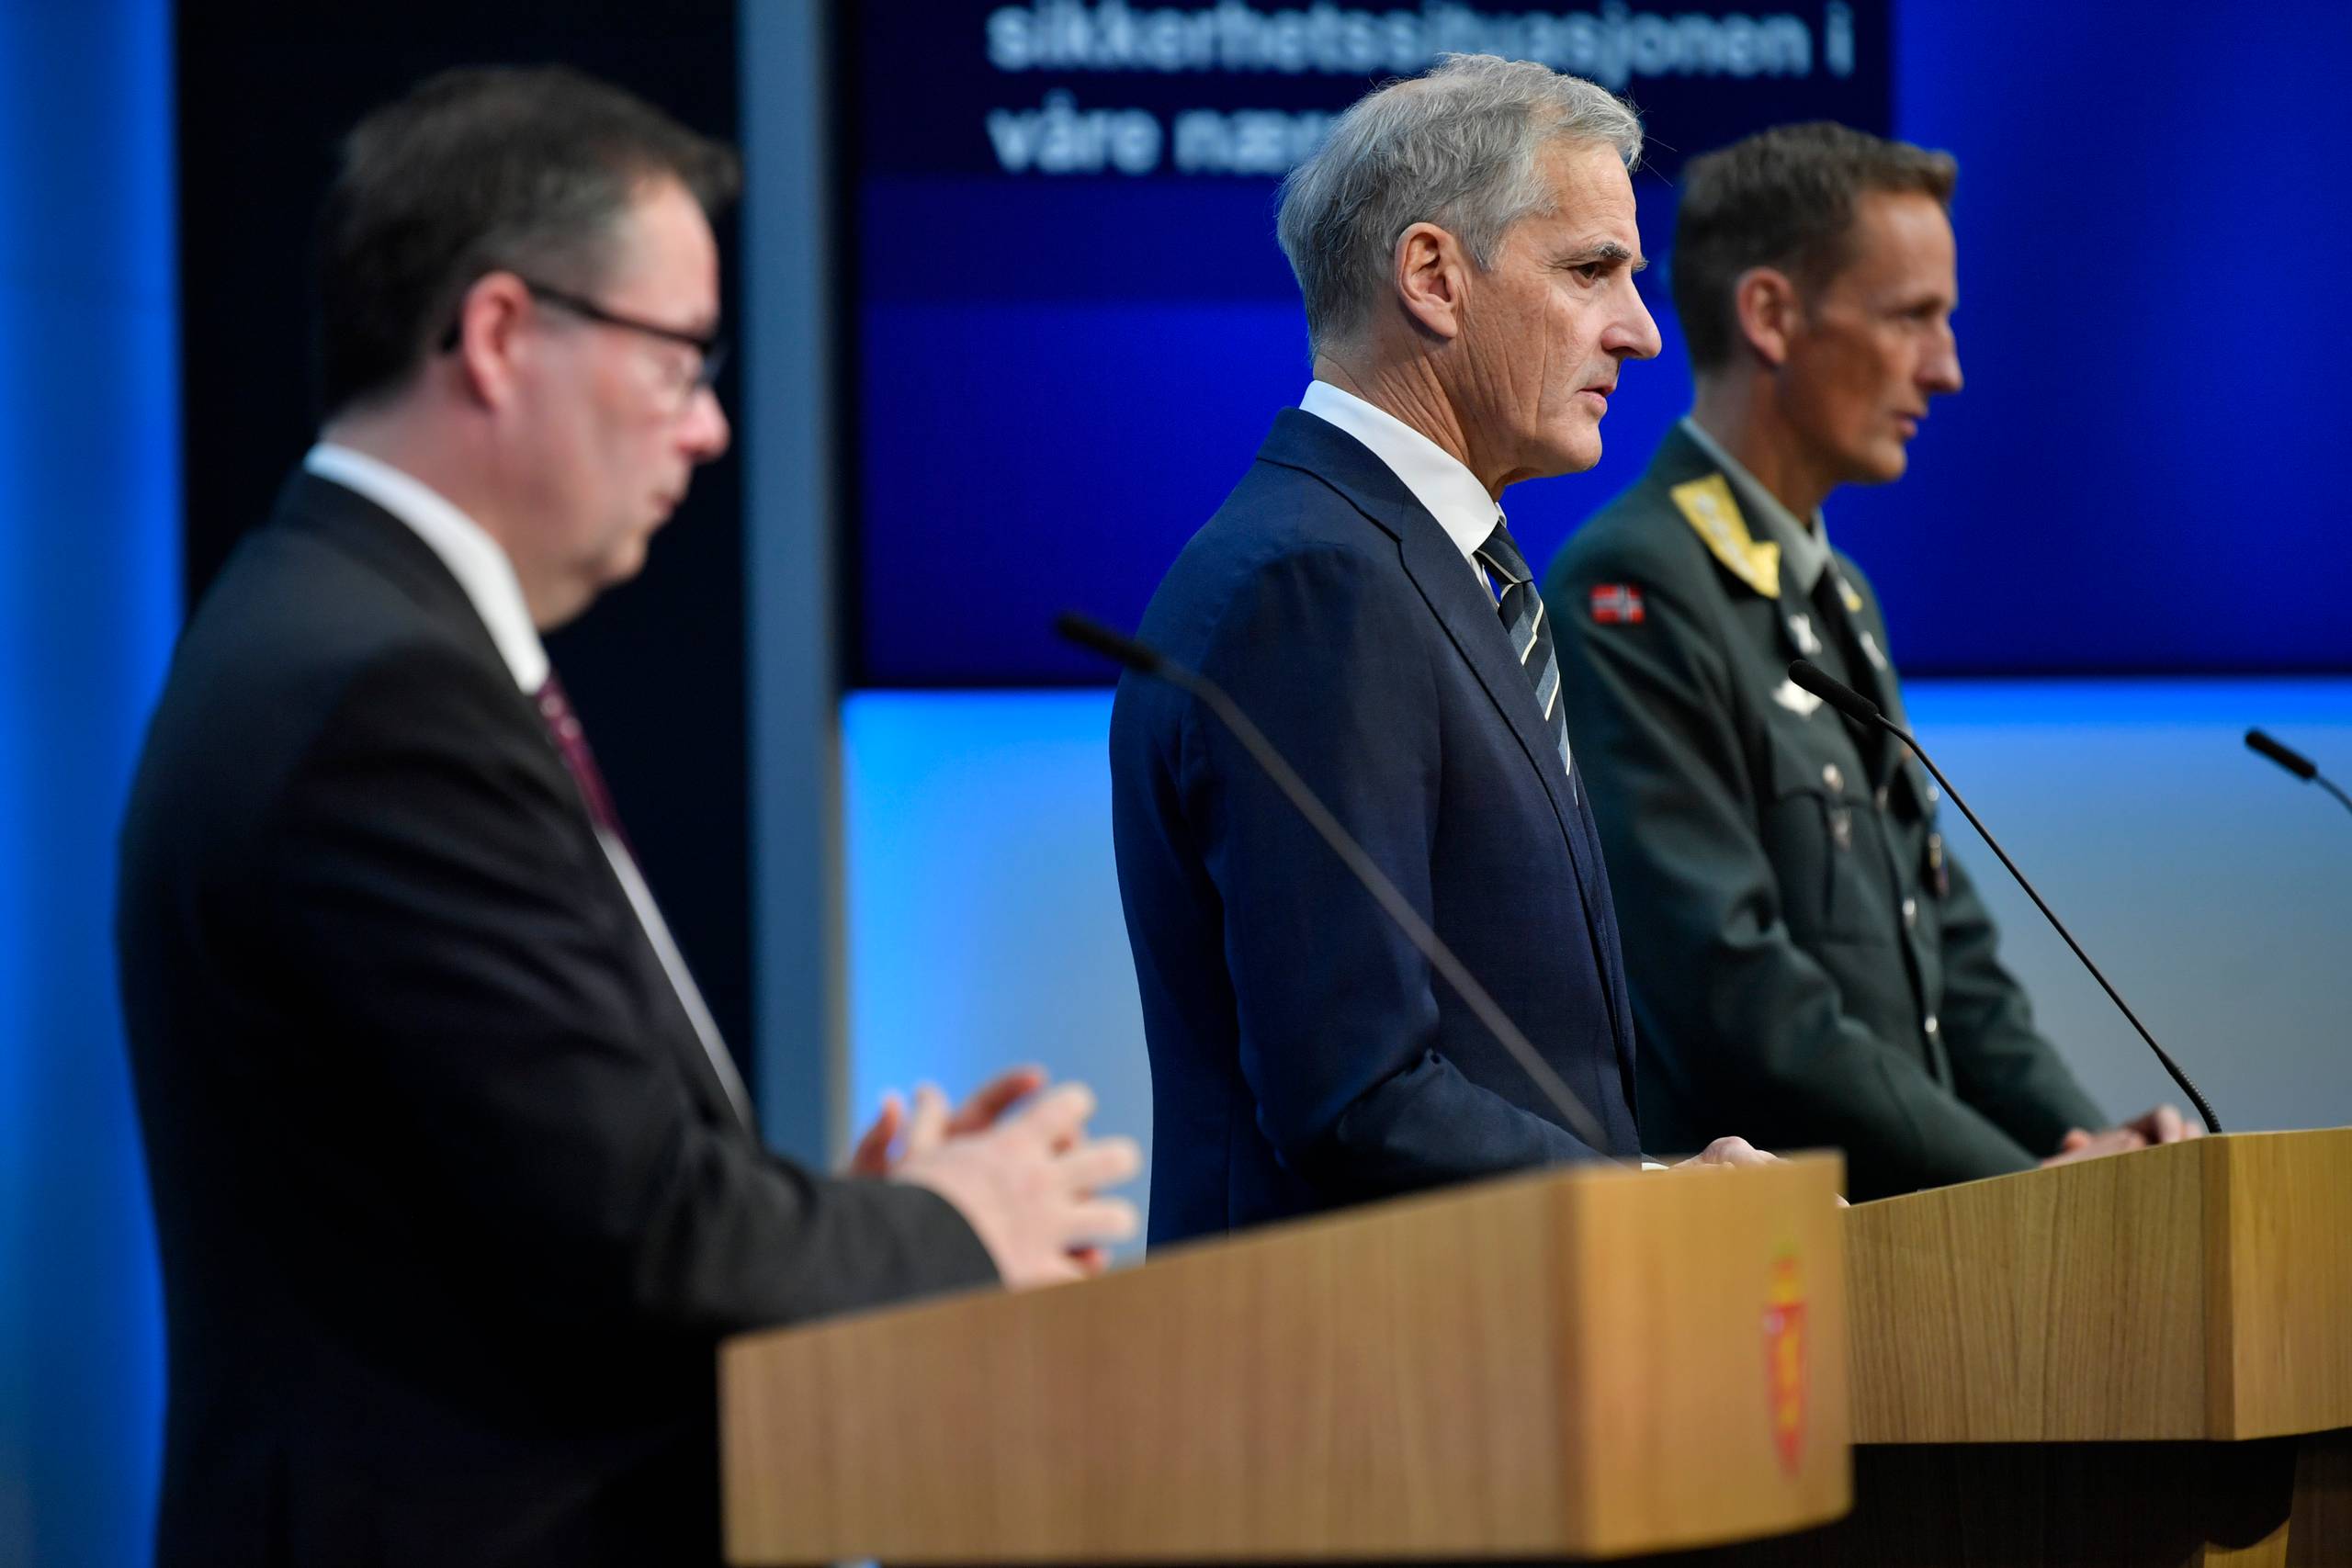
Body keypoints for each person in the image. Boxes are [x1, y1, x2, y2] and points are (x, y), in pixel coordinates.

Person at [115, 66, 1137, 1566]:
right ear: (499, 334)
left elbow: (529, 1197)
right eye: (679, 358)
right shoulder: (378, 696)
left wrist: (841, 1233)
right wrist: (955, 1222)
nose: (709, 426)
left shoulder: (340, 632)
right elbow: (639, 1233)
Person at [1111, 55, 1774, 1248]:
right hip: (1360, 1350)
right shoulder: (1315, 585)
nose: (1640, 332)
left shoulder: (1419, 566)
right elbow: (1355, 1093)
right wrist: (1655, 1201)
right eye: (1591, 271)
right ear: (1433, 277)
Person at [1543, 122, 2195, 1202]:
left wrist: (2089, 1157)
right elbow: (1735, 1001)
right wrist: (2026, 1191)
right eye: (1909, 317)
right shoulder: (1633, 588)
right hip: (1766, 1252)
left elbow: (1958, 970)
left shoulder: (1838, 598)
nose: (1946, 368)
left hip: (1904, 1240)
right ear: (1770, 316)